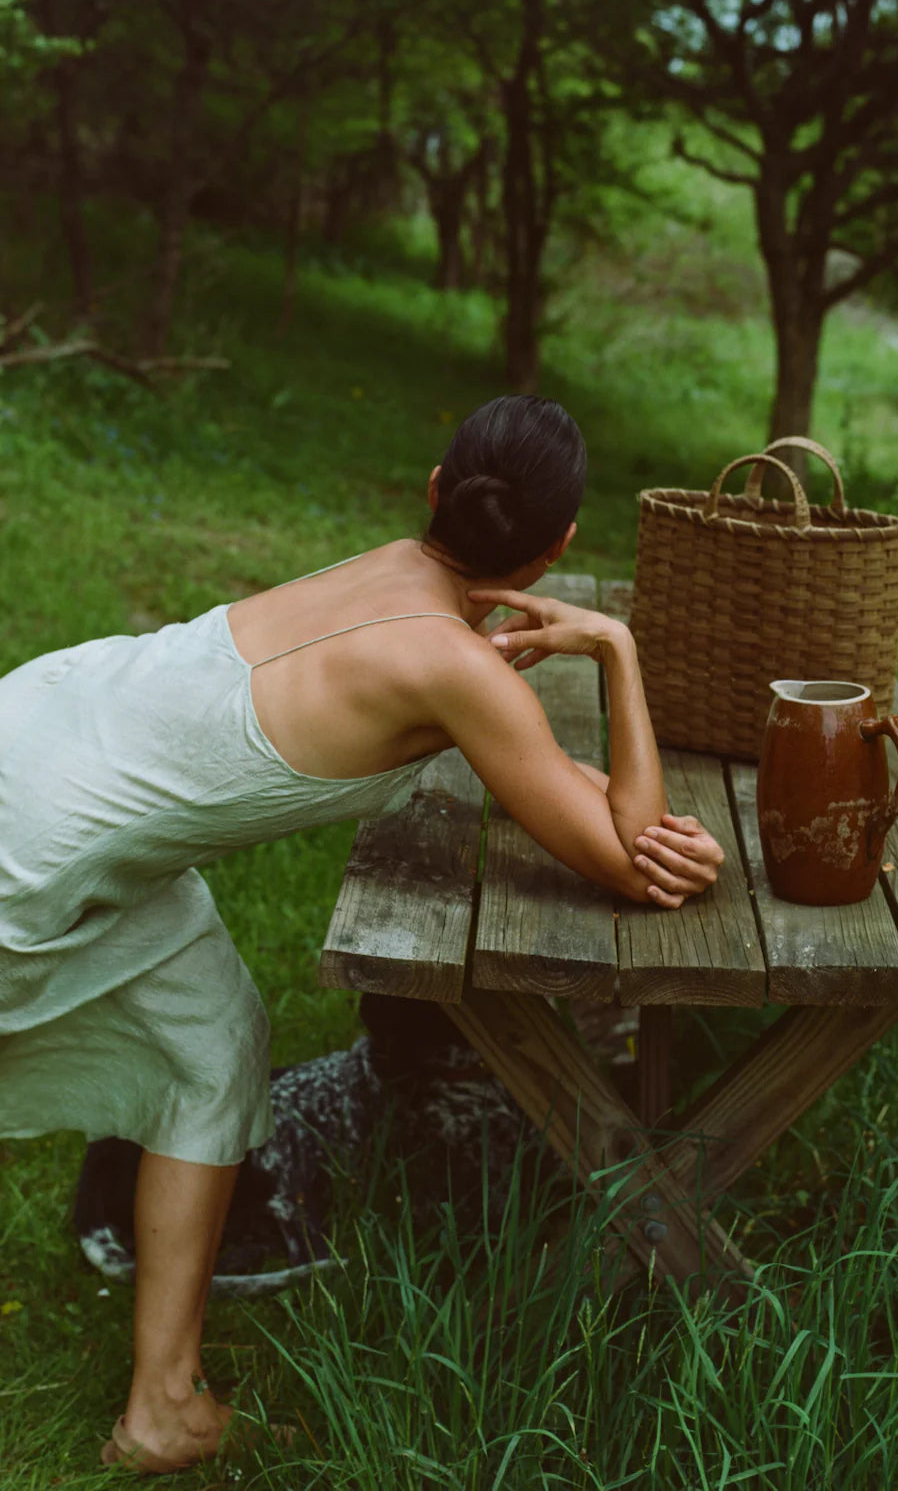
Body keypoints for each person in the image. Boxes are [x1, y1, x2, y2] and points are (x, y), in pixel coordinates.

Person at [0, 393, 724, 1472]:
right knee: (203, 1051)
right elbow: (624, 861)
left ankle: (162, 1411)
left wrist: (617, 808)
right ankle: (160, 1401)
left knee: (213, 1043)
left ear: (435, 492)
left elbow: (528, 769)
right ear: (561, 544)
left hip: (46, 730)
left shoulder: (400, 580)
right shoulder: (454, 666)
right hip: (38, 837)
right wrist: (616, 650)